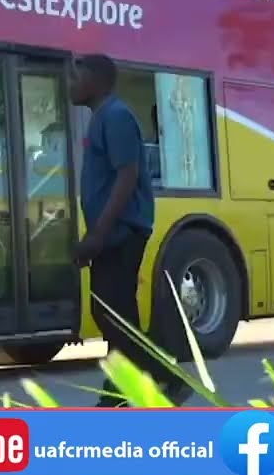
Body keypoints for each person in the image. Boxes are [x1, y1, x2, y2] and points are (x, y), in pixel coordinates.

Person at [69, 54, 188, 407]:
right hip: (113, 233)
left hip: (121, 233)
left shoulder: (116, 117)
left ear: (97, 80)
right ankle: (135, 388)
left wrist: (98, 235)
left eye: (77, 76)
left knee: (114, 315)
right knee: (114, 315)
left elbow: (127, 175)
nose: (71, 84)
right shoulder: (102, 118)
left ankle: (135, 390)